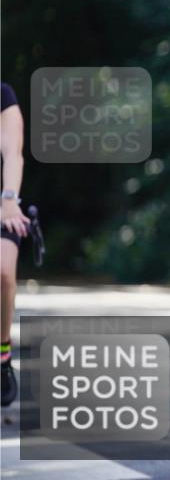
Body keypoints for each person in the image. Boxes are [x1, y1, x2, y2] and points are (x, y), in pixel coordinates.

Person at [1, 81, 29, 408]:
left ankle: (2, 351)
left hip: (3, 203)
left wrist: (9, 199)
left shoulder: (3, 95)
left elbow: (12, 152)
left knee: (4, 273)